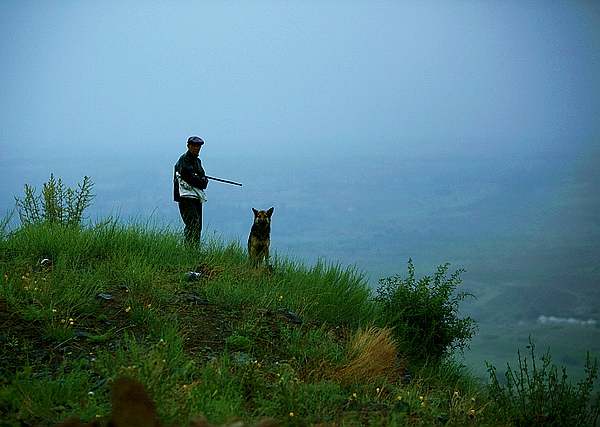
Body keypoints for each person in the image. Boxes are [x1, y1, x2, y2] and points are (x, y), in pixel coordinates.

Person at [174, 136, 209, 243]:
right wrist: (202, 180)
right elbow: (190, 177)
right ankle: (190, 249)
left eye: (198, 146)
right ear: (188, 146)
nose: (196, 148)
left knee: (198, 225)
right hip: (186, 197)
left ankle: (194, 250)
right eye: (193, 145)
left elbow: (202, 177)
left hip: (196, 196)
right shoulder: (184, 159)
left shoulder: (197, 161)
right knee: (192, 224)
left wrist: (202, 180)